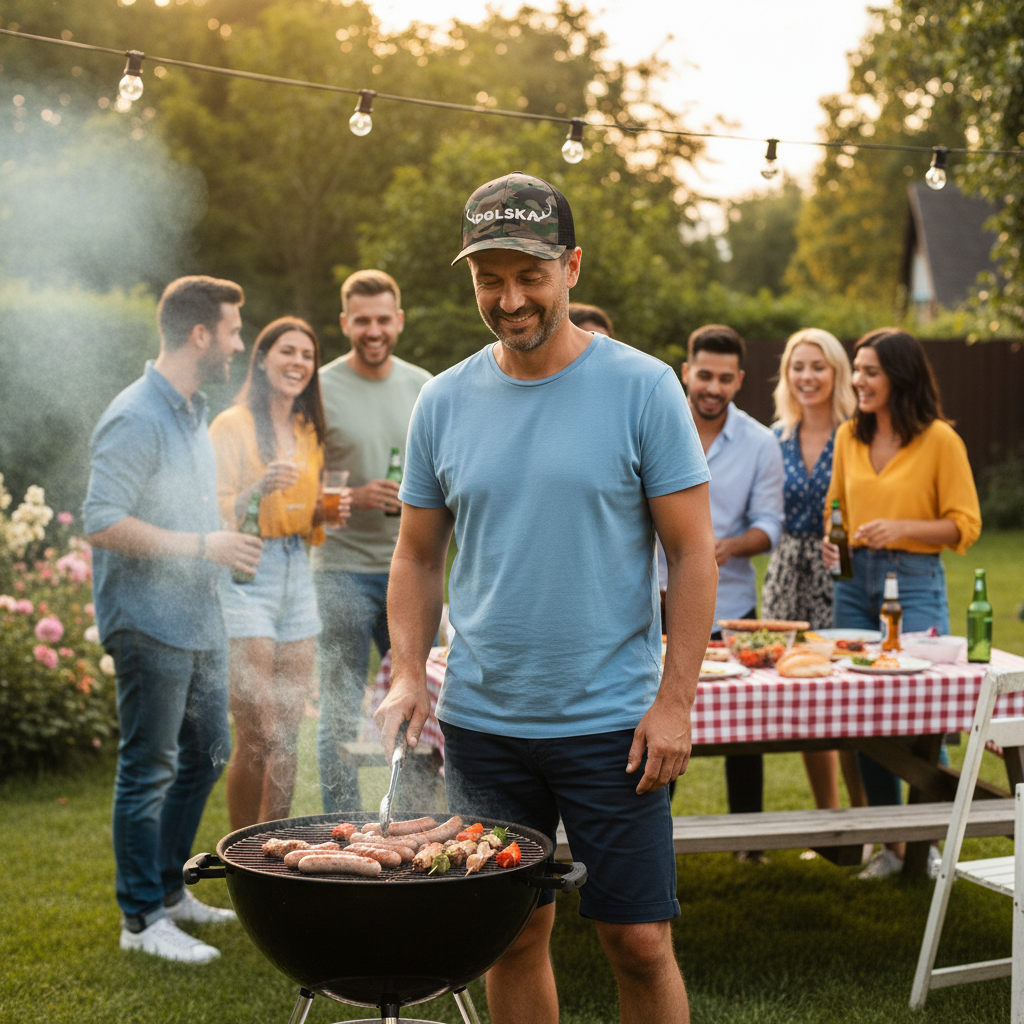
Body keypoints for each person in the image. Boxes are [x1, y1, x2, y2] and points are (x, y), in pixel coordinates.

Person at [375, 171, 717, 1024]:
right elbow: (417, 556)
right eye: (490, 277)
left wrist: (675, 702)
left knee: (637, 942)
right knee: (513, 936)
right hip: (486, 726)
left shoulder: (642, 388)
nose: (510, 297)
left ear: (571, 267)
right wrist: (410, 674)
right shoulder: (442, 400)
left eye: (529, 274)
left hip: (614, 727)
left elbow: (693, 551)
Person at [84, 276, 263, 964]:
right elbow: (101, 521)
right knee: (149, 766)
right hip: (148, 623)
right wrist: (201, 545)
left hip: (196, 616)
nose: (238, 343)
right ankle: (140, 921)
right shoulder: (135, 415)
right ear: (199, 335)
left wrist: (234, 511)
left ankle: (168, 891)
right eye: (232, 331)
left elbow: (184, 515)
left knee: (206, 755)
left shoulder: (190, 411)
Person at [824, 327, 982, 879]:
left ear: (900, 376)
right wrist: (831, 540)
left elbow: (965, 526)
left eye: (870, 371)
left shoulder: (940, 440)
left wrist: (902, 528)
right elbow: (836, 510)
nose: (859, 381)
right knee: (866, 716)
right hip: (852, 583)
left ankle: (927, 844)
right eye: (858, 370)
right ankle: (892, 846)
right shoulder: (848, 436)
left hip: (913, 581)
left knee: (924, 714)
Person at [210, 316, 343, 830]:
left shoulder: (307, 429)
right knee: (259, 733)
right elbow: (213, 509)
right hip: (248, 572)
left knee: (288, 732)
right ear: (262, 359)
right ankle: (241, 853)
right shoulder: (232, 425)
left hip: (297, 571)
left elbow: (304, 513)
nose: (298, 363)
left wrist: (324, 513)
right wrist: (257, 488)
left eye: (307, 356)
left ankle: (275, 850)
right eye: (287, 352)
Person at [312, 270, 431, 813]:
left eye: (384, 319)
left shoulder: (425, 387)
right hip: (338, 569)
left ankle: (407, 821)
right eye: (362, 320)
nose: (374, 330)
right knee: (338, 709)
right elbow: (293, 488)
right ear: (344, 323)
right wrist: (354, 495)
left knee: (415, 698)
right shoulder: (318, 387)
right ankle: (341, 823)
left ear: (399, 321)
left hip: (411, 571)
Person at [678, 324, 784, 851]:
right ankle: (652, 834)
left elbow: (771, 525)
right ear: (686, 373)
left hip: (731, 605)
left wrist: (728, 546)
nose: (712, 388)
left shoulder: (762, 442)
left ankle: (752, 842)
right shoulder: (657, 426)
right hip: (652, 604)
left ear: (739, 380)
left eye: (724, 378)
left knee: (744, 731)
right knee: (655, 717)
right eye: (704, 376)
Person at [760, 328, 865, 813]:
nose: (807, 376)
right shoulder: (776, 437)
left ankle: (867, 817)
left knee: (849, 696)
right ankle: (831, 819)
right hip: (785, 573)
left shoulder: (858, 432)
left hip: (837, 572)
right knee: (802, 694)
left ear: (837, 373)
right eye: (797, 367)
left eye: (818, 366)